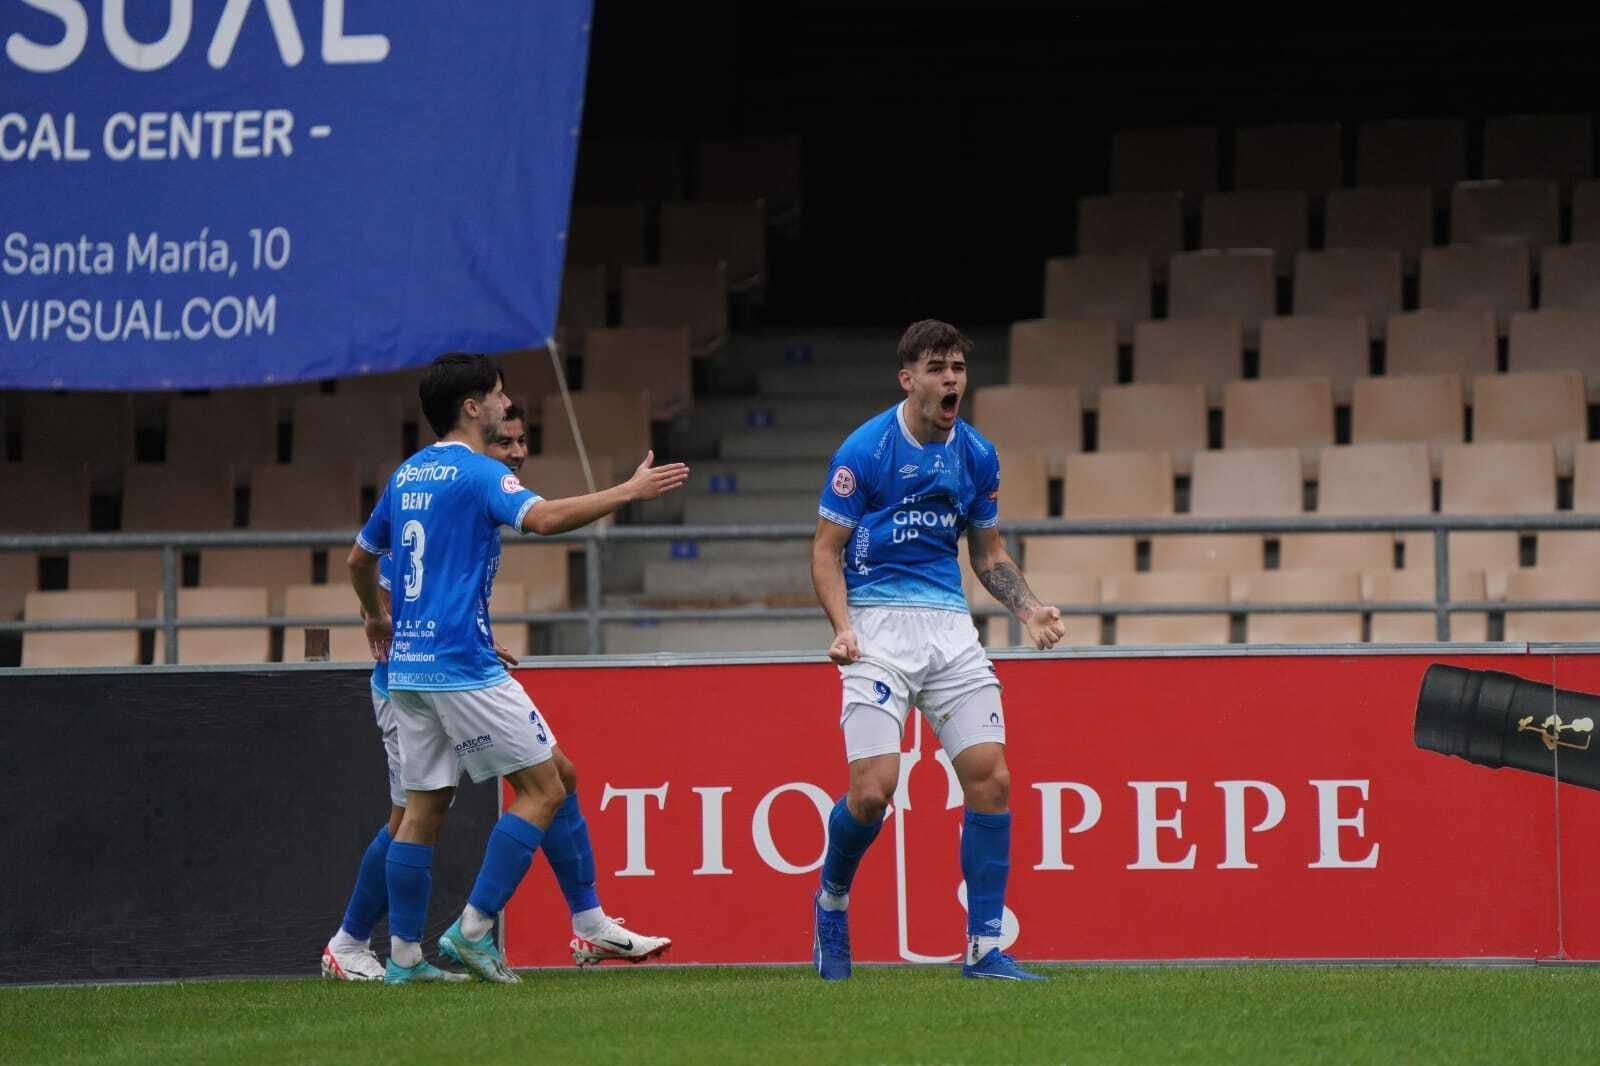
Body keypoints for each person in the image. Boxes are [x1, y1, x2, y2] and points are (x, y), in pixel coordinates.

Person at [349, 353, 689, 984]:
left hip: (411, 673)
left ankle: (405, 961)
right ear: (472, 407)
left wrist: (377, 619)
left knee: (434, 805)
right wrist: (629, 491)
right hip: (460, 667)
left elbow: (357, 561)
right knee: (544, 788)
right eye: (499, 397)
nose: (508, 406)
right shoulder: (478, 473)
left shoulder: (407, 474)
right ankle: (473, 930)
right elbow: (545, 519)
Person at [808, 319, 1067, 982]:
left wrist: (1028, 607)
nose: (951, 378)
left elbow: (988, 552)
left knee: (992, 778)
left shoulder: (977, 455)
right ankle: (832, 900)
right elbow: (825, 551)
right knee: (872, 794)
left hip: (950, 630)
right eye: (937, 368)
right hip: (876, 630)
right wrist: (842, 626)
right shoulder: (865, 449)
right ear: (908, 378)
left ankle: (984, 948)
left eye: (957, 367)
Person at [320, 402, 529, 982]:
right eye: (503, 440)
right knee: (409, 816)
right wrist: (376, 619)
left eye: (520, 442)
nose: (513, 453)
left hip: (430, 670)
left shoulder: (445, 490)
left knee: (417, 811)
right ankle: (353, 941)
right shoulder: (454, 487)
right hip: (408, 679)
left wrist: (476, 641)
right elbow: (388, 588)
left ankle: (387, 950)